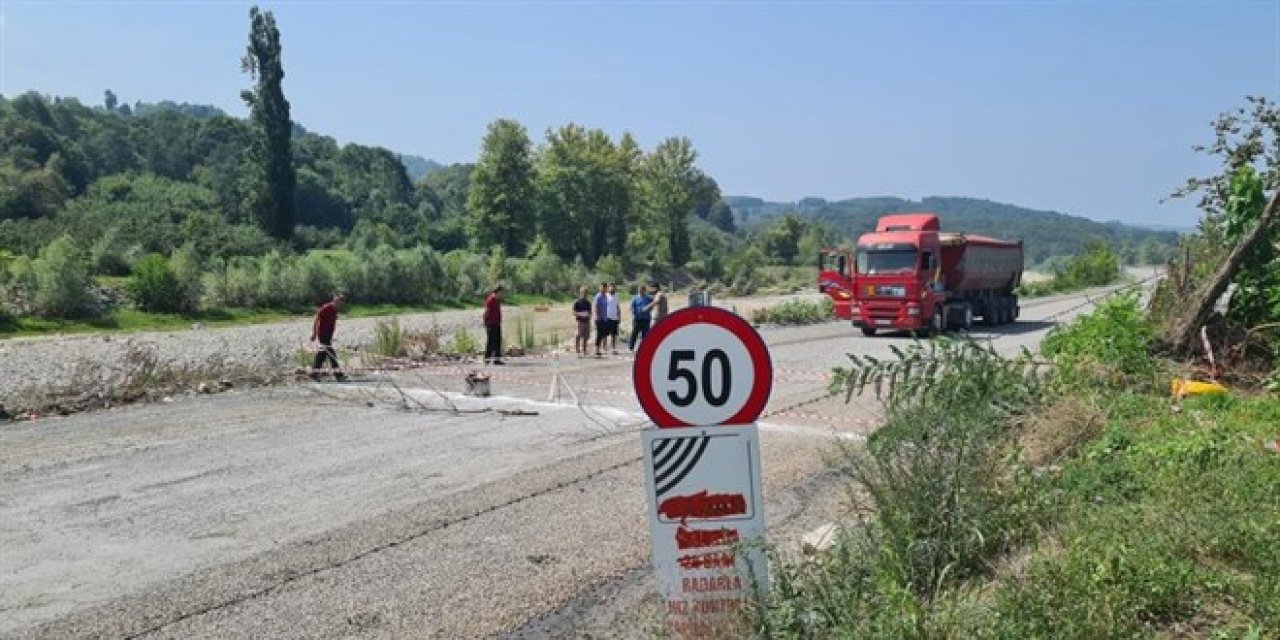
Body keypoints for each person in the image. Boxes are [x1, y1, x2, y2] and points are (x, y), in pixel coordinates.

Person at [310, 294, 347, 381]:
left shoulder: (335, 310)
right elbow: (316, 319)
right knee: (331, 354)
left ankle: (314, 373)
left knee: (322, 354)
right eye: (338, 302)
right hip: (323, 334)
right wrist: (314, 333)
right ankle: (338, 375)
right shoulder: (327, 307)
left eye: (341, 303)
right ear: (335, 301)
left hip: (328, 334)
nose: (339, 305)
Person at [483, 285, 505, 365]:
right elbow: (487, 312)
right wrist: (486, 323)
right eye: (501, 293)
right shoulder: (491, 300)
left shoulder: (497, 300)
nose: (502, 294)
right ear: (497, 292)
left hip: (496, 323)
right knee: (491, 342)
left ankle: (497, 359)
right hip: (491, 323)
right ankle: (487, 359)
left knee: (498, 341)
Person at [629, 284, 654, 352]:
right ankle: (631, 347)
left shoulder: (649, 298)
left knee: (645, 335)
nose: (641, 291)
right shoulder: (635, 298)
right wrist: (633, 315)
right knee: (634, 333)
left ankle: (643, 348)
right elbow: (631, 307)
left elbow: (653, 304)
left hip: (646, 319)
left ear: (645, 290)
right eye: (640, 290)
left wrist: (649, 309)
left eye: (642, 290)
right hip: (637, 319)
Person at [573, 286, 592, 358]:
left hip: (587, 321)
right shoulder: (577, 302)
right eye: (583, 292)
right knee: (578, 336)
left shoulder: (588, 303)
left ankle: (584, 350)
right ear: (580, 293)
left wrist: (589, 315)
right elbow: (574, 312)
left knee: (586, 337)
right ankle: (577, 351)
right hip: (580, 321)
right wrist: (581, 314)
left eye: (586, 293)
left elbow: (590, 312)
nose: (585, 294)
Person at [593, 282, 609, 357]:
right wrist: (596, 316)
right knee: (599, 334)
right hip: (599, 318)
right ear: (600, 288)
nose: (603, 289)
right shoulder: (598, 296)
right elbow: (596, 306)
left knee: (604, 334)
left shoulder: (605, 296)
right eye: (602, 287)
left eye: (604, 287)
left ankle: (604, 349)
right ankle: (597, 350)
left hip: (605, 318)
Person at [605, 283, 621, 354]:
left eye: (613, 287)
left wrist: (619, 316)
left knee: (614, 334)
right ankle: (604, 348)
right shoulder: (606, 296)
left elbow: (618, 307)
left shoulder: (617, 296)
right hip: (607, 317)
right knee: (605, 333)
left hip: (614, 318)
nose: (612, 289)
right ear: (608, 288)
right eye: (611, 287)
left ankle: (613, 348)